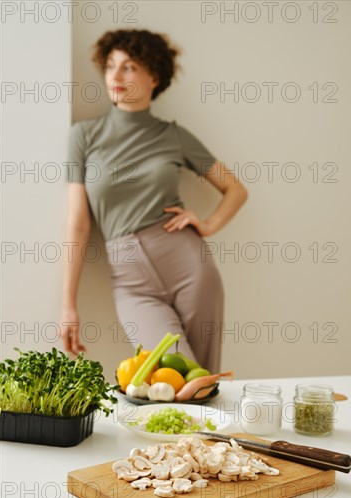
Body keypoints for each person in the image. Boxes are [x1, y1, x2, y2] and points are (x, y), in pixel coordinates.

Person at [60, 29, 248, 374]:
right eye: (110, 66)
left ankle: (211, 432)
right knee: (173, 377)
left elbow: (235, 190)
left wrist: (206, 225)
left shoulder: (174, 136)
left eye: (129, 67)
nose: (115, 76)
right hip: (130, 278)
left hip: (189, 265)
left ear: (154, 77)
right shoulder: (83, 136)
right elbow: (78, 223)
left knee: (202, 383)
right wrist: (68, 306)